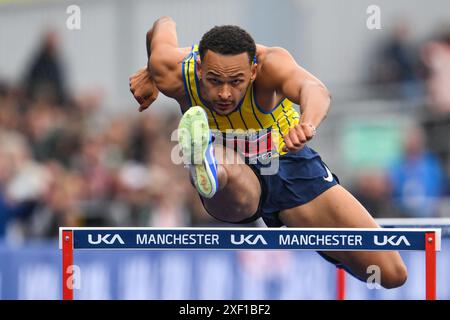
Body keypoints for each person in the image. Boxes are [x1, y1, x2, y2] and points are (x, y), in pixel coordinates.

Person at [129, 16, 407, 288]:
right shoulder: (171, 69)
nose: (225, 93)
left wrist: (307, 122)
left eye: (236, 81)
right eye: (214, 81)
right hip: (235, 172)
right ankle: (205, 163)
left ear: (252, 71)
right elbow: (162, 24)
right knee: (228, 170)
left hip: (288, 163)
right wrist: (151, 71)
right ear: (199, 69)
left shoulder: (271, 63)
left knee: (391, 274)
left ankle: (321, 241)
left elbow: (315, 89)